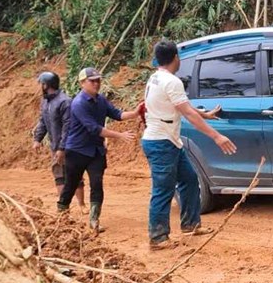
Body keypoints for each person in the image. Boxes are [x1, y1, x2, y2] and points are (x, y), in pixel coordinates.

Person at [142, 40, 237, 250]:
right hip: (161, 143)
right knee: (163, 189)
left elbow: (181, 106)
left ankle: (190, 224)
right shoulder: (171, 81)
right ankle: (157, 237)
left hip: (168, 141)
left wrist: (205, 114)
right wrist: (216, 136)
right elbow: (186, 113)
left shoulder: (156, 78)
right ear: (176, 57)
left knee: (189, 179)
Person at [57, 67, 139, 233]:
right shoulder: (78, 103)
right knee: (71, 184)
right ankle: (61, 214)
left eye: (98, 80)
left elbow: (116, 114)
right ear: (82, 83)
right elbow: (93, 128)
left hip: (96, 151)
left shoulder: (100, 100)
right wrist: (120, 135)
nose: (96, 83)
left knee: (97, 183)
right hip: (77, 151)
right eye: (92, 81)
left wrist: (136, 113)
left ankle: (94, 220)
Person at [32, 72, 87, 214]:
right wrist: (37, 139)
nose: (40, 87)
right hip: (55, 145)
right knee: (59, 175)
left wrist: (62, 148)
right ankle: (63, 207)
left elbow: (68, 126)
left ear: (46, 85)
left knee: (75, 174)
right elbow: (43, 121)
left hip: (69, 146)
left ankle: (82, 205)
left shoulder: (65, 101)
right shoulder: (45, 102)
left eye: (41, 84)